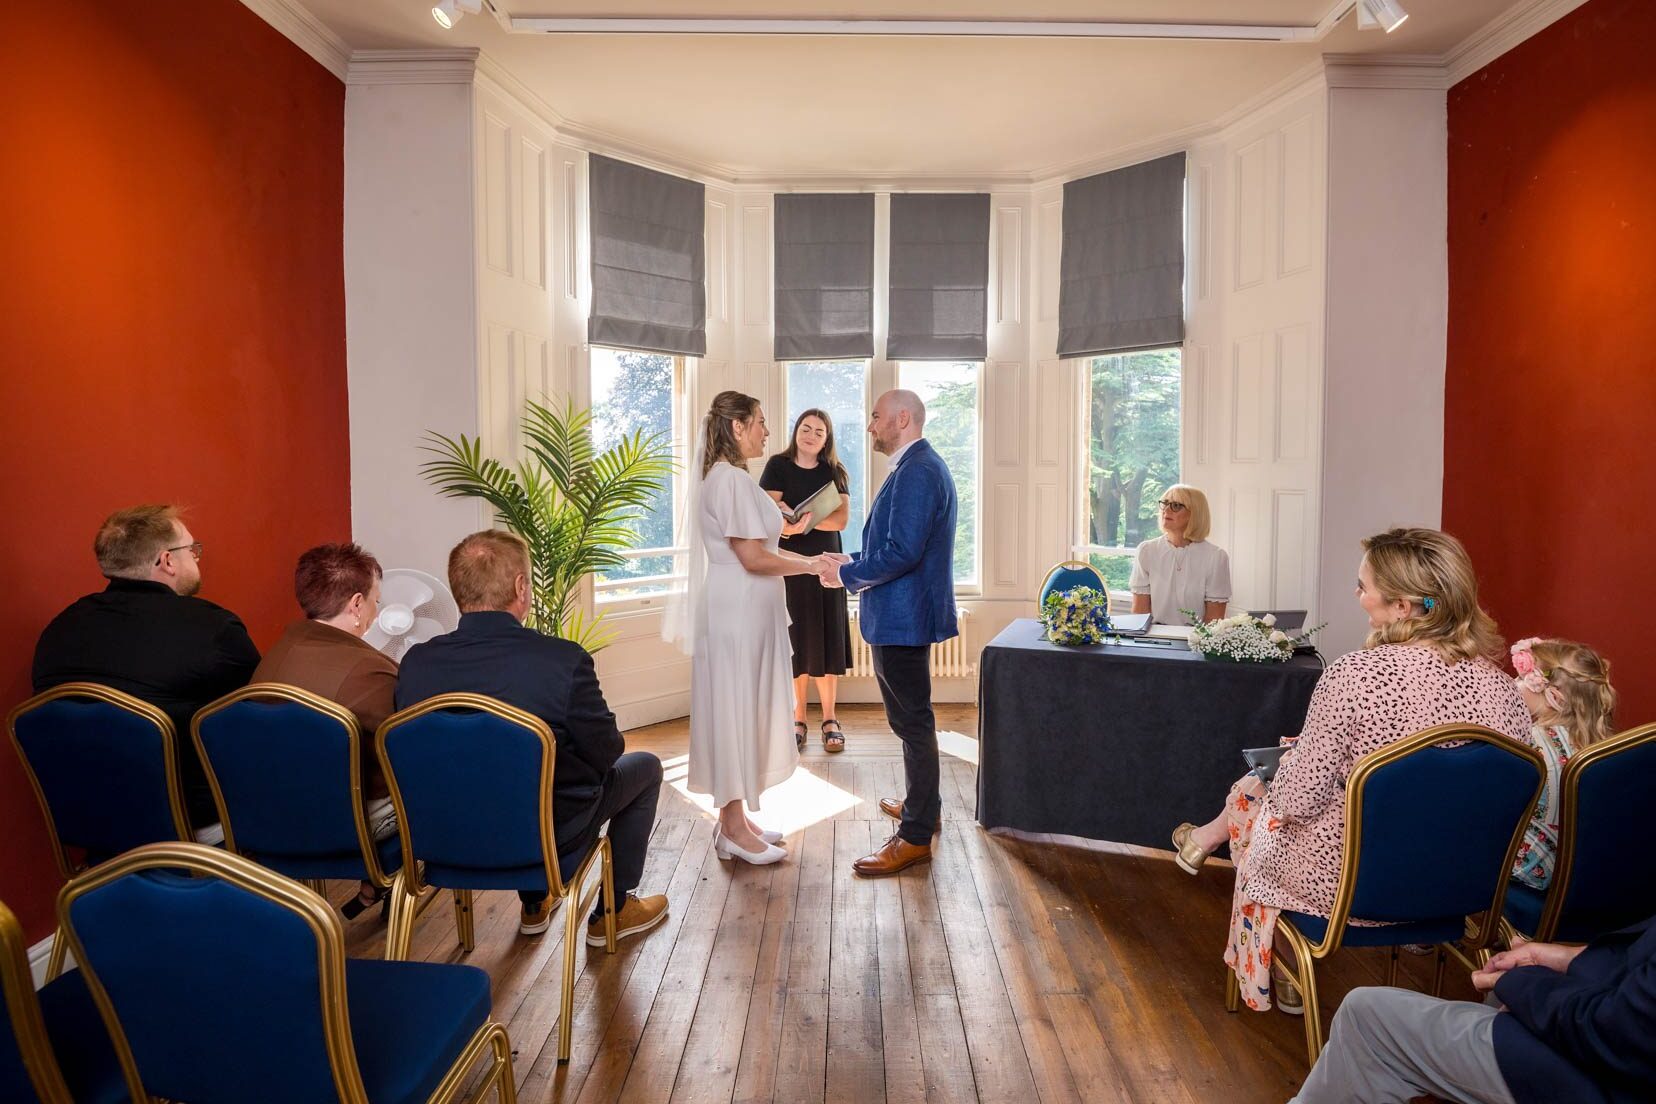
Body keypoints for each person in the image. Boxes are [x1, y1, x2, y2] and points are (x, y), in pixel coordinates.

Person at [1169, 527, 1530, 1012]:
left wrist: (1292, 764)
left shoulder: (1355, 674)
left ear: (1402, 606)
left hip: (1352, 888)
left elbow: (1297, 802)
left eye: (1363, 587)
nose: (1356, 595)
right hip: (1462, 886)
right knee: (1261, 794)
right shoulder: (1504, 689)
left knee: (1258, 804)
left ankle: (1280, 964)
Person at [395, 530, 667, 943]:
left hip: (441, 836)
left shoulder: (416, 663)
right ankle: (613, 911)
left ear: (457, 590)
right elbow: (608, 749)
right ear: (522, 587)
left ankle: (536, 901)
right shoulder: (562, 661)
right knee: (644, 767)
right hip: (545, 839)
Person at [32, 504, 259, 830]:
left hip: (86, 820)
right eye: (192, 550)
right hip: (190, 823)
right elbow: (260, 717)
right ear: (167, 561)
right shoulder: (212, 628)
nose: (196, 558)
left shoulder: (59, 630)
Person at [673, 391, 823, 865]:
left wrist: (813, 559)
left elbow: (762, 550)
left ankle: (734, 822)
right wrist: (812, 565)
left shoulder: (728, 479)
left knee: (738, 707)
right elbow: (753, 558)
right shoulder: (732, 480)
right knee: (735, 709)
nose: (766, 431)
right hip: (737, 612)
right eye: (760, 422)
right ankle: (734, 829)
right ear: (737, 427)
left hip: (741, 609)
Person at [817, 389, 958, 877]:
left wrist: (845, 575)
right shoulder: (916, 466)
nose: (871, 426)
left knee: (912, 723)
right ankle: (924, 807)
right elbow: (897, 546)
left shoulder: (918, 470)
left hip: (903, 619)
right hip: (901, 616)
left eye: (876, 417)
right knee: (911, 721)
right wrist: (852, 560)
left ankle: (916, 836)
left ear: (902, 419)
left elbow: (903, 553)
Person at [1292, 920, 1656, 1103]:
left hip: (1610, 1077)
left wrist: (1523, 984)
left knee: (1365, 1018)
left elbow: (1617, 1032)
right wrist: (1569, 959)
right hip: (1614, 1023)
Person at [253, 542, 399, 918]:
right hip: (344, 825)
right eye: (376, 601)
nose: (376, 611)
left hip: (266, 817)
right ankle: (387, 884)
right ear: (356, 604)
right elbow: (405, 753)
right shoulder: (373, 670)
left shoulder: (270, 661)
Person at [759, 408, 854, 754]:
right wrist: (792, 524)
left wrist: (800, 523)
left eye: (819, 431)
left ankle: (830, 719)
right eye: (806, 428)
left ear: (827, 439)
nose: (811, 435)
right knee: (796, 640)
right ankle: (798, 718)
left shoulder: (835, 471)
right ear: (796, 431)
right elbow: (767, 513)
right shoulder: (777, 465)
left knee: (827, 638)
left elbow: (841, 520)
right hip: (789, 562)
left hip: (827, 561)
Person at [1506, 637, 1617, 891]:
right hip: (1584, 869)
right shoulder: (1602, 743)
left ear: (1554, 697)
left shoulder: (1531, 746)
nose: (1514, 683)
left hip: (1535, 867)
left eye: (1523, 678)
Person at [1129, 484, 1230, 625]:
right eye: (1165, 504)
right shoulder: (1146, 551)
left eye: (1176, 506)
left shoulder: (1216, 557)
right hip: (1153, 635)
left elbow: (1214, 620)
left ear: (1195, 513)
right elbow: (1140, 615)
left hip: (1196, 636)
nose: (1166, 510)